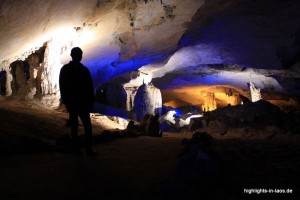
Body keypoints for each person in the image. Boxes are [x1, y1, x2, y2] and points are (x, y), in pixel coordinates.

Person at [59, 47, 97, 155]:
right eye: (77, 54)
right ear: (72, 55)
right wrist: (66, 101)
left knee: (87, 126)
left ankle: (88, 148)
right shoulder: (66, 69)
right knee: (75, 126)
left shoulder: (84, 70)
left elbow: (90, 86)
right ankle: (77, 149)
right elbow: (63, 86)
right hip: (73, 102)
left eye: (80, 54)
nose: (79, 56)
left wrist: (90, 100)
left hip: (82, 102)